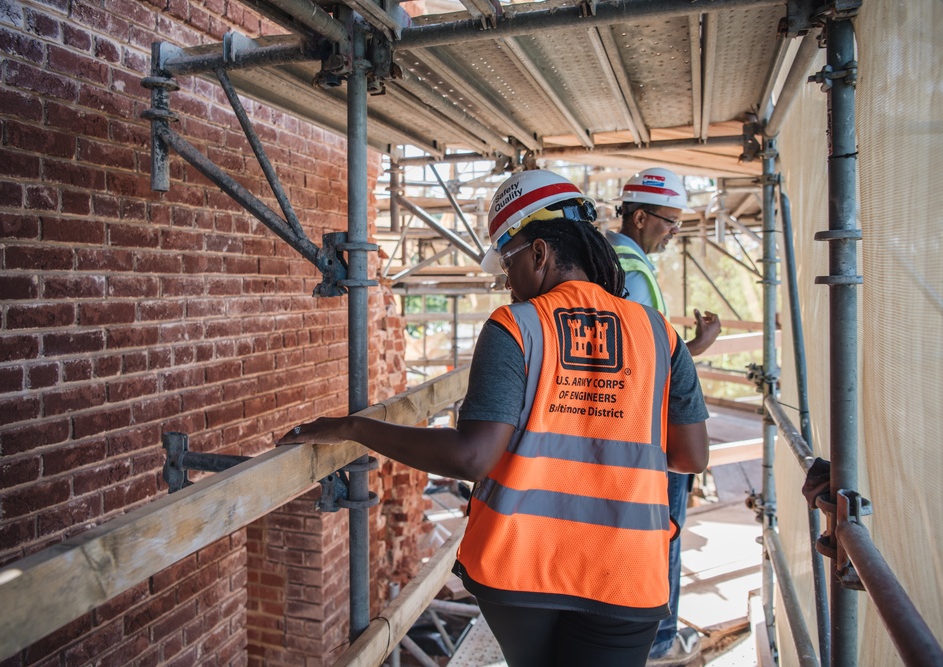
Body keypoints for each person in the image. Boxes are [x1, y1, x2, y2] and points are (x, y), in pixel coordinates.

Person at [278, 169, 710, 667]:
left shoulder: (517, 326)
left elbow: (473, 457)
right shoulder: (661, 334)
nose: (508, 281)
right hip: (627, 574)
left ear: (540, 253)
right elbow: (689, 456)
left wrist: (354, 427)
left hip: (522, 571)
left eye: (509, 263)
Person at [608, 167, 722, 666]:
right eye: (669, 222)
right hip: (651, 433)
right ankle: (657, 639)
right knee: (665, 533)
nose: (674, 231)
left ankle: (640, 633)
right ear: (638, 216)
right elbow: (643, 360)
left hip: (632, 426)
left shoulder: (615, 258)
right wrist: (700, 346)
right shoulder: (629, 269)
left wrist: (691, 345)